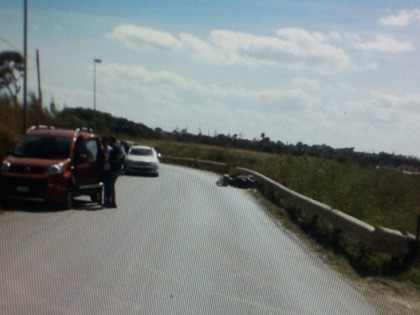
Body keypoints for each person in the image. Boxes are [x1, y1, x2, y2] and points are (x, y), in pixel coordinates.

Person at [103, 136, 123, 208]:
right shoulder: (115, 149)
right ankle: (109, 201)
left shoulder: (116, 149)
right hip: (113, 169)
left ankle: (113, 202)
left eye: (110, 141)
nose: (109, 142)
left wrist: (109, 161)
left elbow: (117, 159)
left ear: (113, 141)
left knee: (111, 186)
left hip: (115, 170)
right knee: (109, 185)